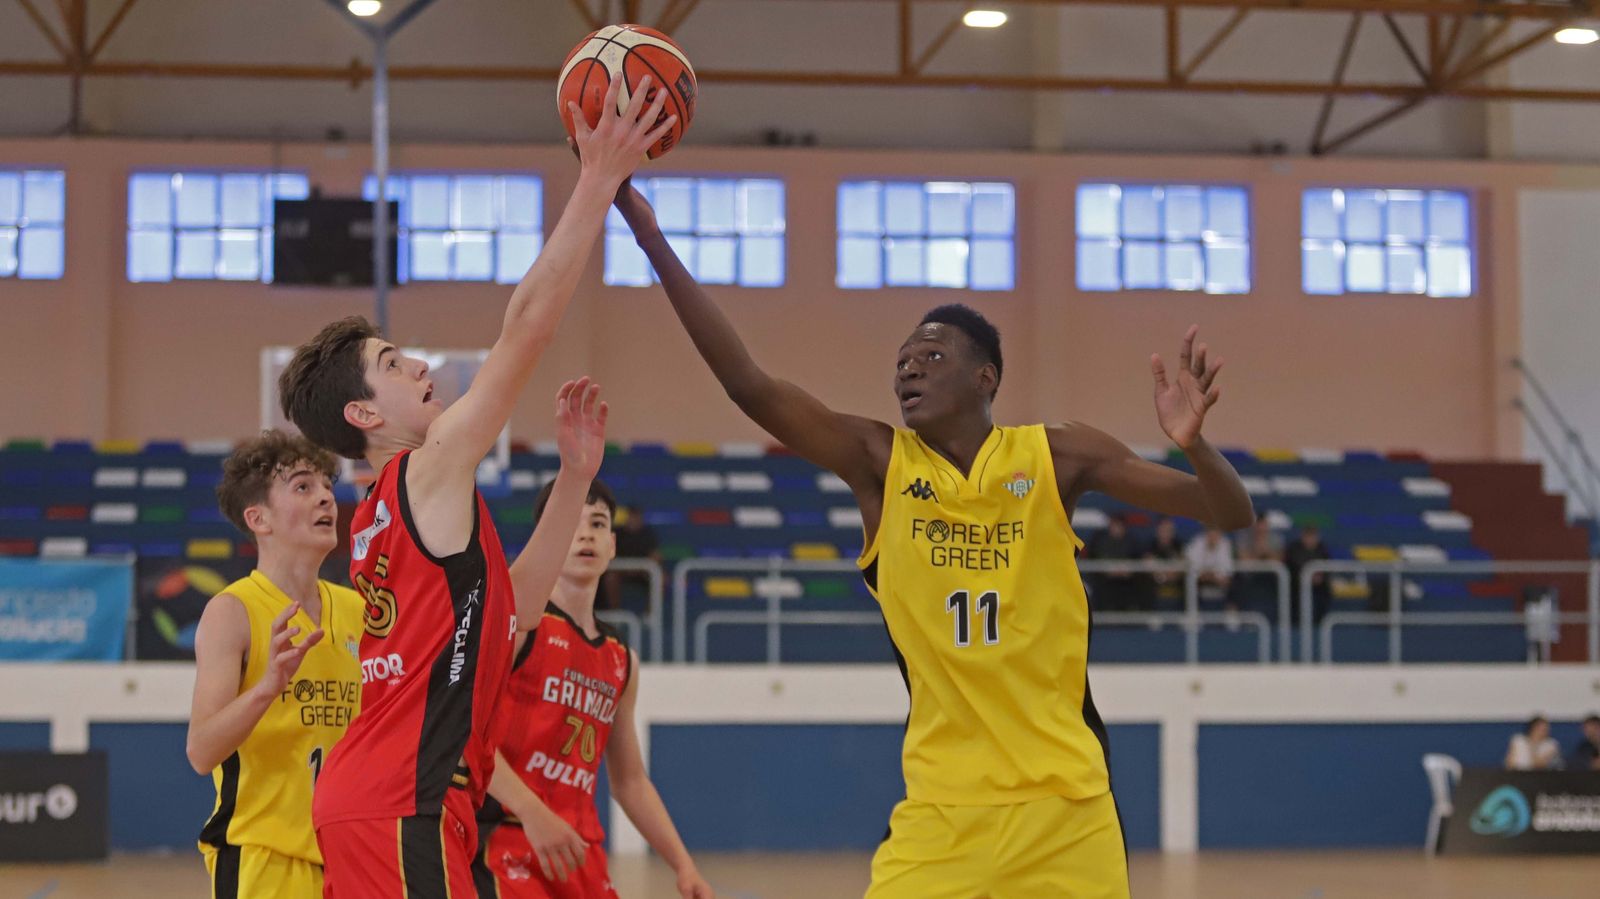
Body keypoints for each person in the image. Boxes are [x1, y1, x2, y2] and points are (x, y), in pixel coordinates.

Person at [614, 183, 1253, 898]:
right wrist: (650, 240)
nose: (908, 366)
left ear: (986, 378)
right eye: (902, 359)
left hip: (1067, 809)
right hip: (940, 814)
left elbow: (1228, 513)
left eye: (931, 354)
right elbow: (749, 386)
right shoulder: (881, 464)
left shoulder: (1058, 456)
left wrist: (1197, 447)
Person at [277, 77, 673, 898]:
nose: (418, 364)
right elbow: (526, 325)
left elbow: (514, 612)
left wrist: (574, 477)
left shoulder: (400, 507)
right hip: (401, 801)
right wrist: (598, 180)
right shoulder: (427, 468)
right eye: (392, 365)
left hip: (400, 799)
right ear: (361, 412)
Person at [474, 479, 713, 899]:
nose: (586, 534)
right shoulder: (520, 625)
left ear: (613, 545)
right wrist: (532, 811)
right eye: (571, 523)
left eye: (598, 524)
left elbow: (630, 782)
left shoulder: (622, 659)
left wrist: (683, 864)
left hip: (580, 853)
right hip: (507, 836)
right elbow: (468, 735)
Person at [186, 432, 364, 897]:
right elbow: (202, 751)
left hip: (349, 857)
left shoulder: (357, 611)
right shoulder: (234, 611)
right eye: (303, 486)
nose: (326, 495)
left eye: (327, 484)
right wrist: (267, 687)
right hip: (263, 859)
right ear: (258, 518)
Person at [601, 504, 661, 611]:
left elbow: (655, 556)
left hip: (643, 572)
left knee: (660, 578)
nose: (634, 519)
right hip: (620, 571)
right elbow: (608, 554)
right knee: (610, 578)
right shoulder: (617, 533)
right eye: (632, 516)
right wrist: (625, 567)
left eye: (637, 516)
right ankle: (616, 615)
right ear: (628, 517)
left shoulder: (648, 534)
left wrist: (640, 567)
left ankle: (651, 616)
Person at [1085, 514, 1141, 612]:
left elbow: (1136, 561)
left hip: (1125, 583)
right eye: (1115, 525)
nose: (1117, 529)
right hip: (1104, 582)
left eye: (1120, 526)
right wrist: (1108, 570)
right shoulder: (1101, 542)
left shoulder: (1131, 542)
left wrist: (1126, 571)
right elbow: (1096, 560)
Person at [1285, 524, 1332, 625]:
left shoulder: (1322, 549)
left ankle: (1318, 625)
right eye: (1308, 536)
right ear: (1303, 536)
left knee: (1321, 598)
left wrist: (1320, 578)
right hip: (1297, 589)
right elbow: (1293, 567)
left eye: (1313, 536)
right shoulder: (1294, 548)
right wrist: (1307, 577)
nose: (1310, 539)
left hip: (1319, 589)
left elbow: (1326, 568)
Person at [1184, 526, 1235, 612]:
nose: (1213, 536)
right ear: (1206, 532)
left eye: (1216, 532)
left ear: (1220, 533)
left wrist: (1210, 576)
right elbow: (1194, 574)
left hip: (1221, 592)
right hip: (1200, 593)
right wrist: (1210, 576)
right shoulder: (1198, 543)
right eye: (1210, 532)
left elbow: (1226, 579)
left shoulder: (1225, 544)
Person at [1144, 517, 1185, 610]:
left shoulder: (1179, 545)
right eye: (1163, 529)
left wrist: (1167, 575)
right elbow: (1149, 568)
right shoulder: (1150, 546)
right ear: (1158, 530)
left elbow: (1179, 570)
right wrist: (1163, 576)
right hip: (1155, 594)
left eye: (1169, 530)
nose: (1166, 533)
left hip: (1176, 594)